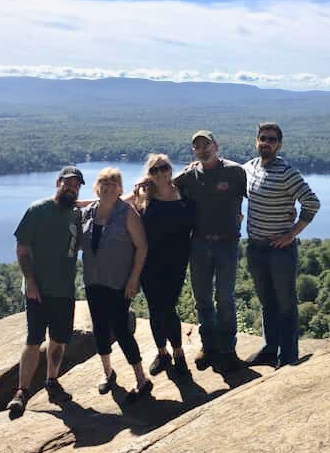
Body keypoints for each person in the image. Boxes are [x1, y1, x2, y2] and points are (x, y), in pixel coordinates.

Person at [8, 165, 84, 419]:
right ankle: (22, 392)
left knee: (59, 340)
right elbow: (22, 248)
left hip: (64, 289)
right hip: (39, 290)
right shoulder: (38, 210)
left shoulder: (75, 214)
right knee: (33, 340)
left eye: (76, 185)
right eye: (68, 183)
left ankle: (52, 381)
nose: (71, 188)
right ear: (58, 183)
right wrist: (30, 281)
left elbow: (101, 202)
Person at [244, 122, 321, 368]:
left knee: (285, 304)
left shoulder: (287, 172)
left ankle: (288, 358)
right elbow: (225, 172)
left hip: (280, 251)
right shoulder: (250, 168)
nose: (266, 142)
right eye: (263, 138)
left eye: (272, 139)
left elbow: (312, 203)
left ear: (279, 144)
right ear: (256, 141)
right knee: (267, 301)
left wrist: (291, 234)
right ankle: (270, 348)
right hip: (255, 248)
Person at [173, 131, 247, 373]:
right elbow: (164, 184)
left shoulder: (235, 172)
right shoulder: (189, 175)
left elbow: (257, 194)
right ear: (193, 152)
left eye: (206, 145)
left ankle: (228, 349)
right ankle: (208, 345)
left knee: (225, 298)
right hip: (200, 244)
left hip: (227, 243)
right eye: (197, 147)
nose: (203, 150)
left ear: (216, 145)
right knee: (202, 298)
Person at [80, 167, 152, 402]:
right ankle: (107, 372)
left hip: (119, 282)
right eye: (105, 183)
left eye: (114, 183)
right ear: (97, 188)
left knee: (121, 329)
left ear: (120, 188)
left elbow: (142, 247)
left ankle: (141, 378)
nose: (109, 187)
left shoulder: (127, 212)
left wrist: (134, 279)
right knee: (99, 327)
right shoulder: (88, 213)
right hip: (94, 280)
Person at [132, 154, 195, 377]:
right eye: (155, 170)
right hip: (149, 263)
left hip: (176, 262)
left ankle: (177, 353)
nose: (160, 172)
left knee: (167, 308)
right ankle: (163, 353)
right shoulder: (142, 195)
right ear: (150, 174)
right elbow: (112, 204)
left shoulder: (183, 190)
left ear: (170, 169)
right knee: (155, 310)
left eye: (164, 167)